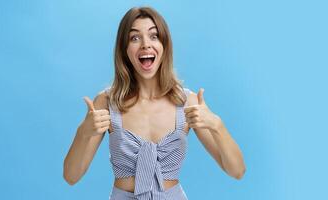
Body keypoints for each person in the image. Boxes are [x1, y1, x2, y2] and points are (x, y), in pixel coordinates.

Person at [63, 6, 246, 200]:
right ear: (124, 50)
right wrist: (83, 133)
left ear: (164, 45)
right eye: (134, 38)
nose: (145, 45)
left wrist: (216, 125)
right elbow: (71, 177)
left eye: (154, 36)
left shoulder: (187, 103)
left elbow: (237, 171)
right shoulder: (107, 102)